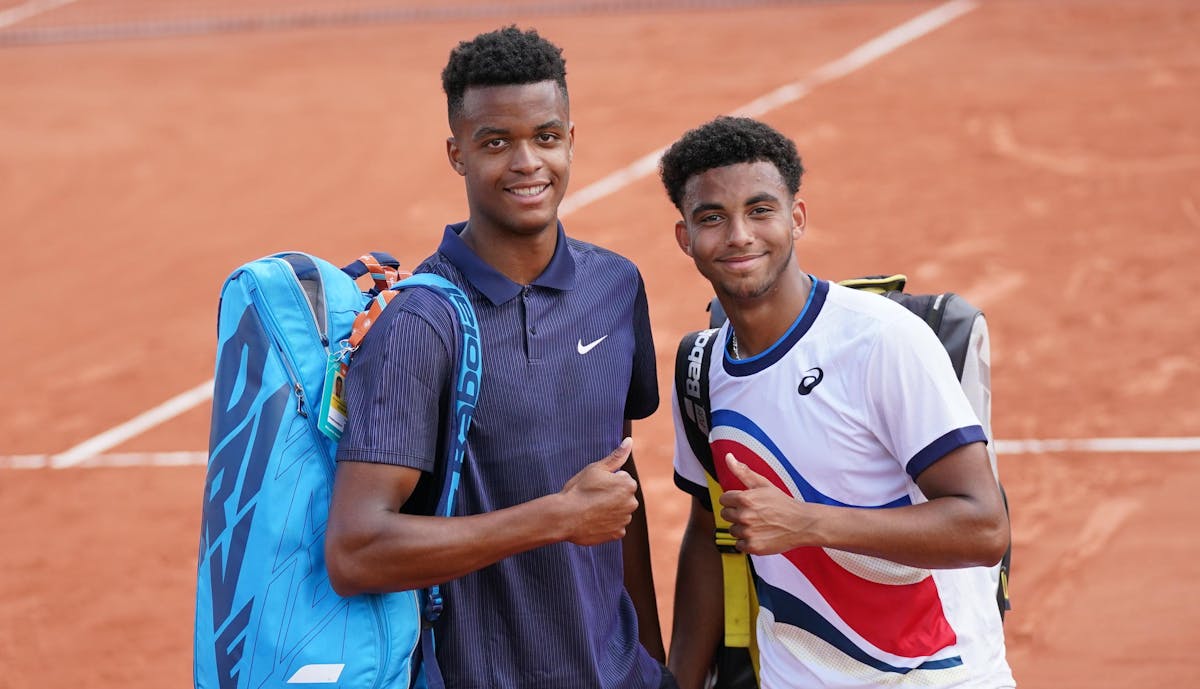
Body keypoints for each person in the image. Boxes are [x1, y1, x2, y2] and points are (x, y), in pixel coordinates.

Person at [324, 26, 672, 689]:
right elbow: (356, 549)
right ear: (457, 154)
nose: (526, 163)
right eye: (495, 143)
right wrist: (557, 518)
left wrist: (654, 661)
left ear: (572, 138)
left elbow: (615, 491)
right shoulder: (419, 324)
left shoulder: (615, 286)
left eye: (545, 137)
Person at [658, 116, 1014, 689]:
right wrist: (678, 680)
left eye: (760, 210)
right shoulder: (700, 370)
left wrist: (806, 524)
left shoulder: (880, 340)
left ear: (796, 218)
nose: (739, 235)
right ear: (686, 238)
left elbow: (981, 527)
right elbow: (709, 531)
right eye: (712, 218)